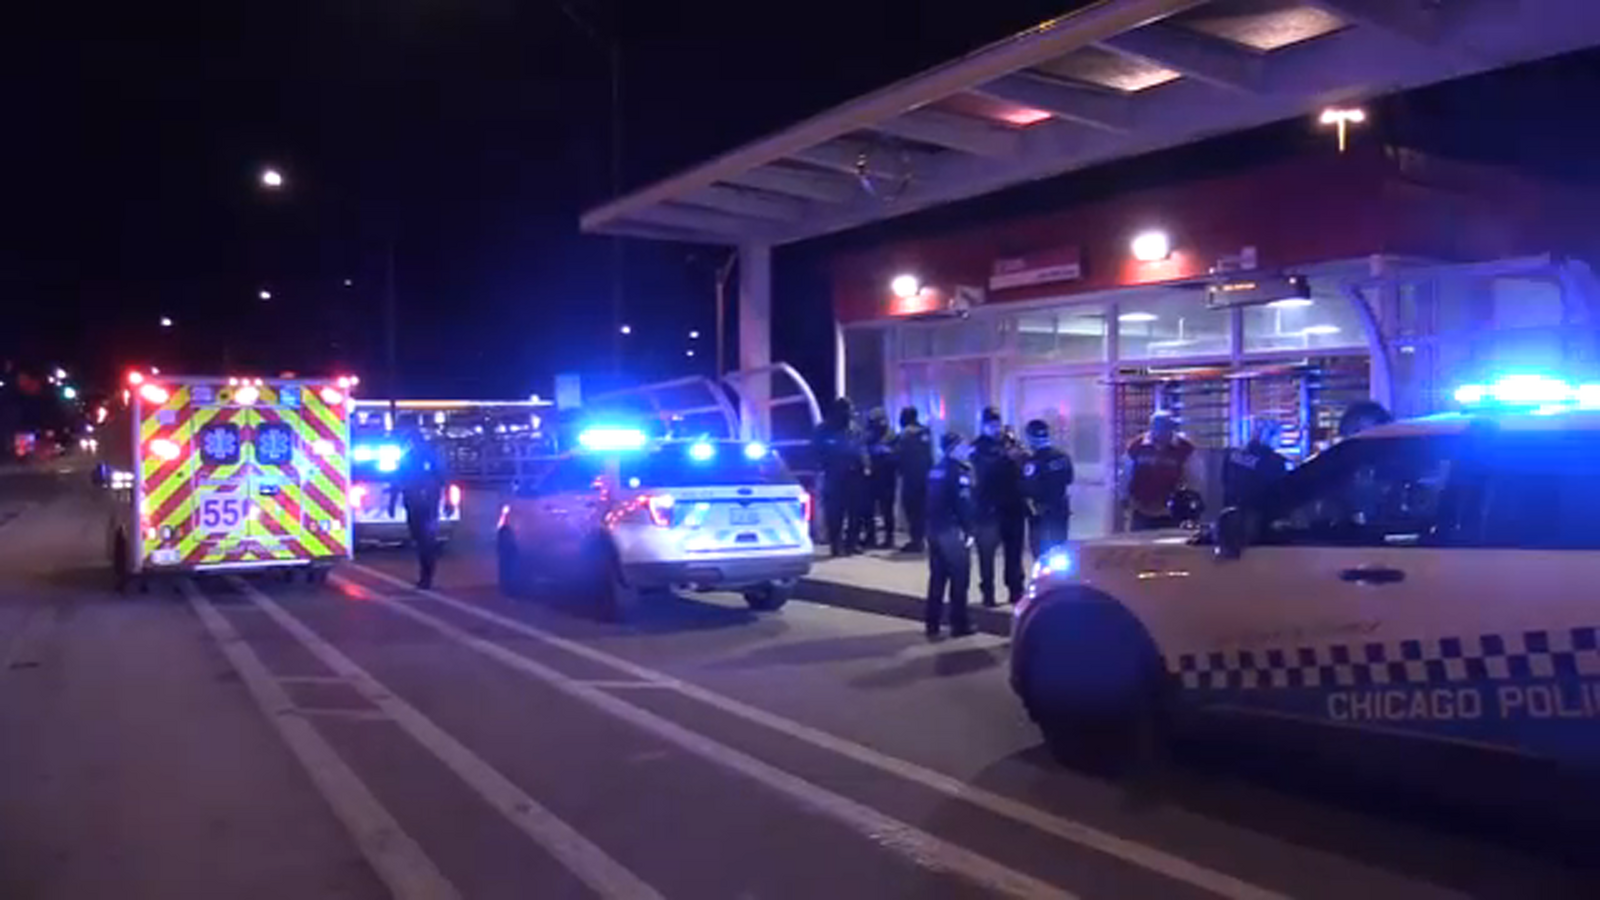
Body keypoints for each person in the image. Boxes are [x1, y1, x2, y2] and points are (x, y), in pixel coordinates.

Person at [970, 407, 1027, 606]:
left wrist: (1018, 454)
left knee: (1014, 552)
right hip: (989, 509)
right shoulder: (978, 447)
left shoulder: (1009, 443)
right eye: (991, 424)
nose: (996, 428)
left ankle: (1016, 590)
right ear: (984, 425)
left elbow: (1022, 468)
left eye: (997, 424)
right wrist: (1006, 458)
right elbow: (983, 472)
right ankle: (988, 593)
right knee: (987, 555)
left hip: (1013, 506)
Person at [924, 431, 975, 639]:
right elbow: (962, 504)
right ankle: (959, 623)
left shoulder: (935, 470)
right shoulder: (958, 472)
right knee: (959, 578)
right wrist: (969, 530)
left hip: (934, 529)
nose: (966, 449)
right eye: (963, 445)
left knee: (937, 578)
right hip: (951, 531)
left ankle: (932, 623)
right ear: (953, 448)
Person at [389, 427, 447, 588]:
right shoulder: (428, 456)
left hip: (419, 504)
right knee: (425, 540)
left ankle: (426, 576)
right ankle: (426, 575)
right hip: (427, 504)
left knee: (423, 541)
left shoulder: (410, 457)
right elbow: (444, 479)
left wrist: (392, 503)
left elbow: (397, 480)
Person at [1124, 410, 1201, 531]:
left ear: (1171, 427)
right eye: (1157, 427)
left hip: (1172, 513)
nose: (1161, 431)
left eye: (1165, 426)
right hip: (1140, 510)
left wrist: (1188, 502)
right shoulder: (1136, 446)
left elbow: (1195, 479)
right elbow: (1126, 476)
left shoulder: (1185, 448)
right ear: (1151, 427)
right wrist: (1125, 499)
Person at [812, 397, 867, 557]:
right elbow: (815, 452)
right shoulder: (823, 430)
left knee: (855, 512)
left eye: (850, 411)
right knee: (835, 513)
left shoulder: (855, 429)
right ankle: (836, 545)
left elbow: (861, 449)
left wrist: (865, 465)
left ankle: (852, 543)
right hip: (834, 476)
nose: (848, 415)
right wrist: (823, 466)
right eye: (845, 411)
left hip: (854, 476)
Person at [1021, 419, 1074, 558]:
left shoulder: (1033, 462)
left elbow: (1028, 487)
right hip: (1061, 510)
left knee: (1041, 554)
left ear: (1030, 438)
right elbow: (1069, 479)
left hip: (1041, 512)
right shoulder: (1063, 457)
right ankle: (1060, 580)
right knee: (1061, 550)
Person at [1223, 418, 1289, 509]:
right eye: (1279, 436)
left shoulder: (1232, 456)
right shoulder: (1275, 462)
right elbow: (1282, 491)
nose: (1280, 440)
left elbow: (1224, 481)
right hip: (1261, 513)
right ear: (1269, 437)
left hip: (1233, 513)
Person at [893, 406, 933, 552]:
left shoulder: (905, 434)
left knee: (911, 509)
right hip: (924, 477)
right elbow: (929, 456)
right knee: (921, 510)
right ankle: (920, 539)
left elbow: (898, 455)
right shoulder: (925, 432)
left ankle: (916, 541)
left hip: (910, 478)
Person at [862, 407, 898, 548]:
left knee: (886, 509)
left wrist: (885, 453)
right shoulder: (868, 436)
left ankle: (889, 538)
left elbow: (897, 455)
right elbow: (862, 451)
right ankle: (871, 537)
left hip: (886, 477)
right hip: (871, 478)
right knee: (868, 510)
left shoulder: (891, 436)